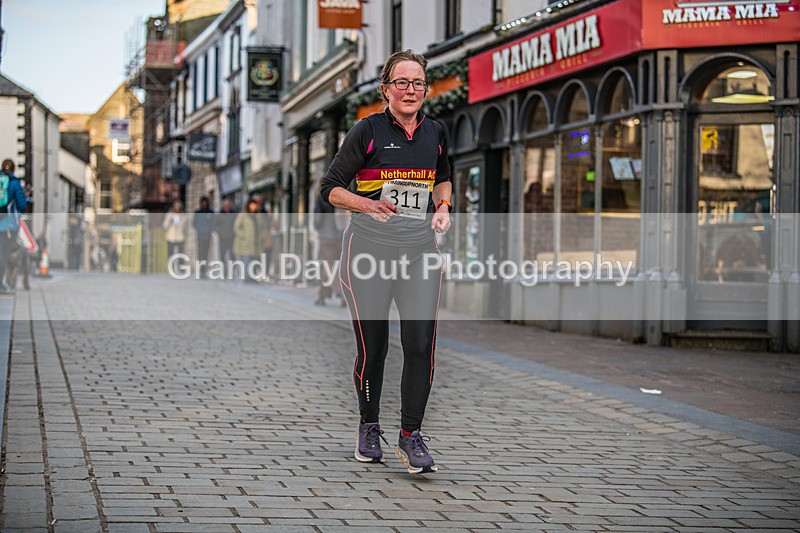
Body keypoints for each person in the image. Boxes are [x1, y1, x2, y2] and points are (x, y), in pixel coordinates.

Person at [320, 50, 452, 474]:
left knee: (420, 346)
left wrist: (444, 204)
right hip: (368, 253)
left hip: (418, 252)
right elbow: (330, 188)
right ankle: (368, 426)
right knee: (373, 349)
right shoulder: (367, 131)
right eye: (402, 82)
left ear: (425, 90)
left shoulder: (436, 131)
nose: (410, 90)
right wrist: (366, 204)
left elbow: (443, 173)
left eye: (417, 83)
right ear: (386, 89)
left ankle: (410, 437)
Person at [313, 182, 346, 307]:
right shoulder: (340, 196)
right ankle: (323, 295)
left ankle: (341, 293)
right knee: (336, 265)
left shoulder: (321, 198)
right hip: (340, 235)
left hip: (326, 237)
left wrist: (318, 229)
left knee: (329, 266)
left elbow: (317, 220)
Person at [0, 159, 28, 295]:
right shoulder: (14, 183)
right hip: (8, 227)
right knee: (3, 255)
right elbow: (22, 205)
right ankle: (1, 284)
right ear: (14, 169)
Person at [233, 198, 269, 282]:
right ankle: (246, 277)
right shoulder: (243, 215)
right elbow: (236, 227)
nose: (253, 207)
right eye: (252, 205)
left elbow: (264, 227)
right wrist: (243, 236)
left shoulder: (259, 216)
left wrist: (262, 236)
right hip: (245, 243)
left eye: (255, 205)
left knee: (255, 260)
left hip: (257, 243)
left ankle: (252, 277)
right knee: (246, 260)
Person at [192, 195, 214, 278]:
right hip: (200, 235)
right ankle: (200, 271)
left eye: (206, 202)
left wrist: (209, 229)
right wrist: (200, 229)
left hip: (208, 235)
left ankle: (204, 271)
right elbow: (194, 223)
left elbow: (214, 222)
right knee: (200, 253)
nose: (204, 203)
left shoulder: (211, 212)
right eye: (203, 202)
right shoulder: (198, 212)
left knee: (206, 253)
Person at [214, 199, 236, 277]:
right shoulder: (219, 215)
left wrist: (234, 233)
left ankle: (232, 271)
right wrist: (220, 233)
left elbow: (236, 225)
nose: (227, 207)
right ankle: (224, 272)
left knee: (232, 256)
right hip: (222, 238)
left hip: (231, 238)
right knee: (222, 256)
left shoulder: (234, 215)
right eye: (225, 205)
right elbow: (215, 226)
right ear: (223, 206)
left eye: (228, 205)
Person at [162, 200, 188, 266]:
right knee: (170, 254)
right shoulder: (169, 215)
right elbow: (164, 226)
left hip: (180, 237)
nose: (177, 208)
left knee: (181, 254)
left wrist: (185, 235)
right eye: (176, 206)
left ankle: (180, 267)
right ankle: (171, 267)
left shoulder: (183, 216)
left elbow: (185, 227)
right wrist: (170, 220)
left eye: (178, 207)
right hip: (171, 237)